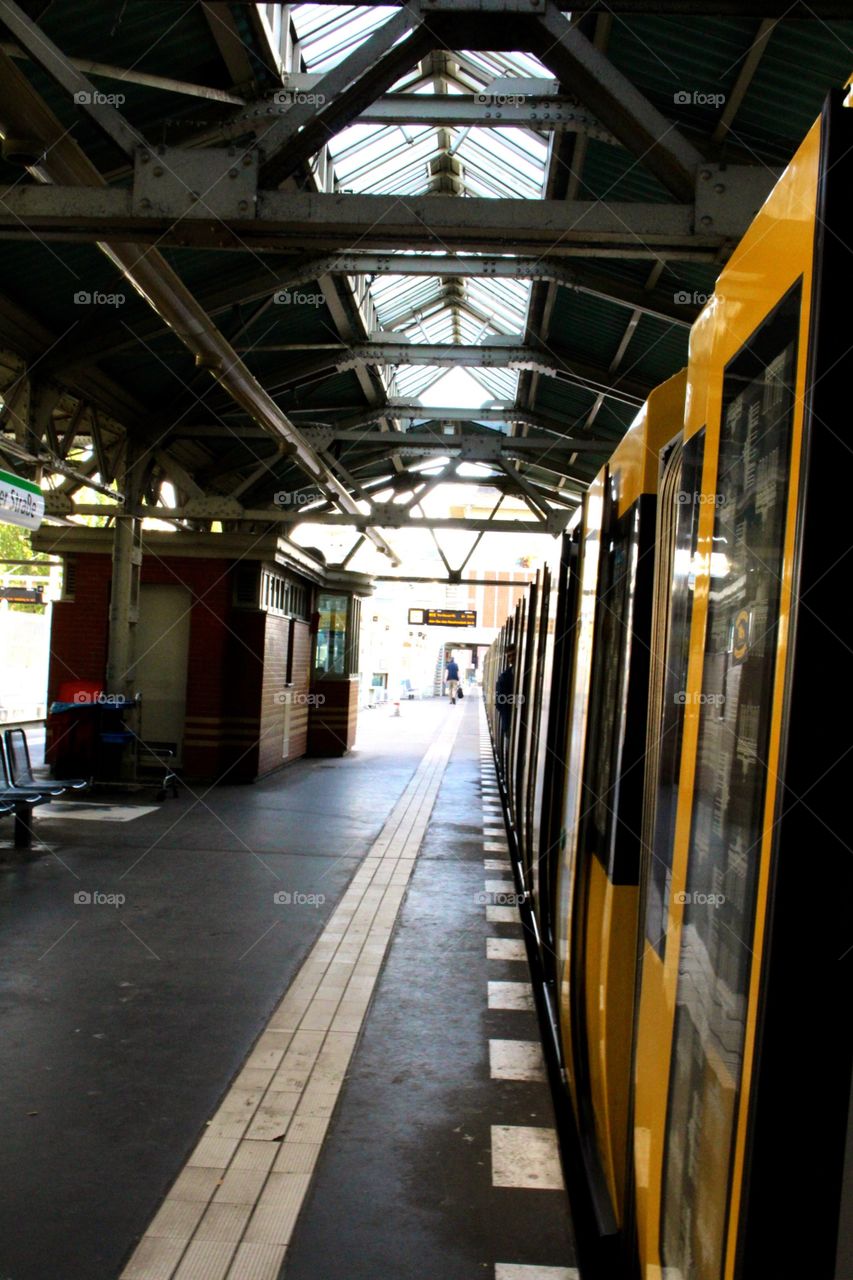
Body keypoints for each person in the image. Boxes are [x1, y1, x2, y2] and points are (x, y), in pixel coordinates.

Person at [495, 646, 515, 741]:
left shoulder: (505, 676)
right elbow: (499, 701)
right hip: (508, 723)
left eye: (513, 655)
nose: (511, 659)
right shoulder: (504, 676)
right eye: (509, 656)